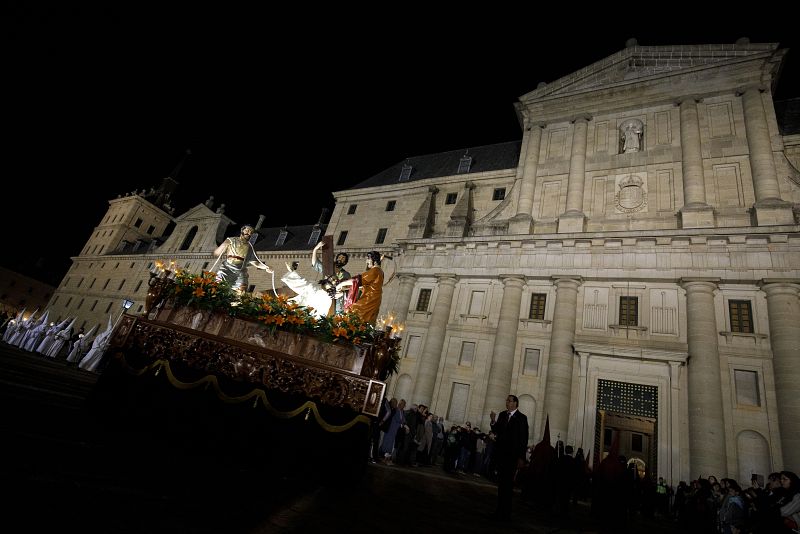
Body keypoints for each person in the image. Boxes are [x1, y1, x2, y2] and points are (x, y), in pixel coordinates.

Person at [490, 394, 529, 522]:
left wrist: (521, 458)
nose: (506, 402)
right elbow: (497, 430)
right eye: (506, 400)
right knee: (501, 485)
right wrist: (493, 421)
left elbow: (523, 439)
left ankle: (506, 513)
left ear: (515, 404)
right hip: (501, 455)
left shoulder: (522, 418)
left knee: (508, 486)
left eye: (509, 400)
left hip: (512, 457)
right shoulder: (502, 415)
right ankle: (499, 510)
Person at [213, 224, 272, 294]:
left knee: (242, 291)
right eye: (247, 230)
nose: (249, 233)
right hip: (227, 268)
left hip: (240, 270)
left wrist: (266, 267)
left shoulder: (250, 247)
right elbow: (216, 253)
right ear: (242, 230)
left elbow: (256, 263)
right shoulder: (231, 240)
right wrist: (223, 246)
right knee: (218, 288)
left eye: (251, 232)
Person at [335, 251, 384, 325]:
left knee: (352, 313)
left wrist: (341, 284)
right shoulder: (379, 272)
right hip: (373, 300)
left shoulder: (375, 270)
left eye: (368, 259)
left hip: (368, 300)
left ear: (373, 260)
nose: (366, 261)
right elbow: (362, 284)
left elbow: (358, 280)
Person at [311, 241, 350, 315]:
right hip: (324, 296)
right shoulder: (328, 269)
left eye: (343, 258)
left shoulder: (346, 274)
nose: (340, 259)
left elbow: (348, 289)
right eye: (339, 257)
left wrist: (341, 293)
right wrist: (315, 249)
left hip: (337, 299)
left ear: (345, 262)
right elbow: (315, 263)